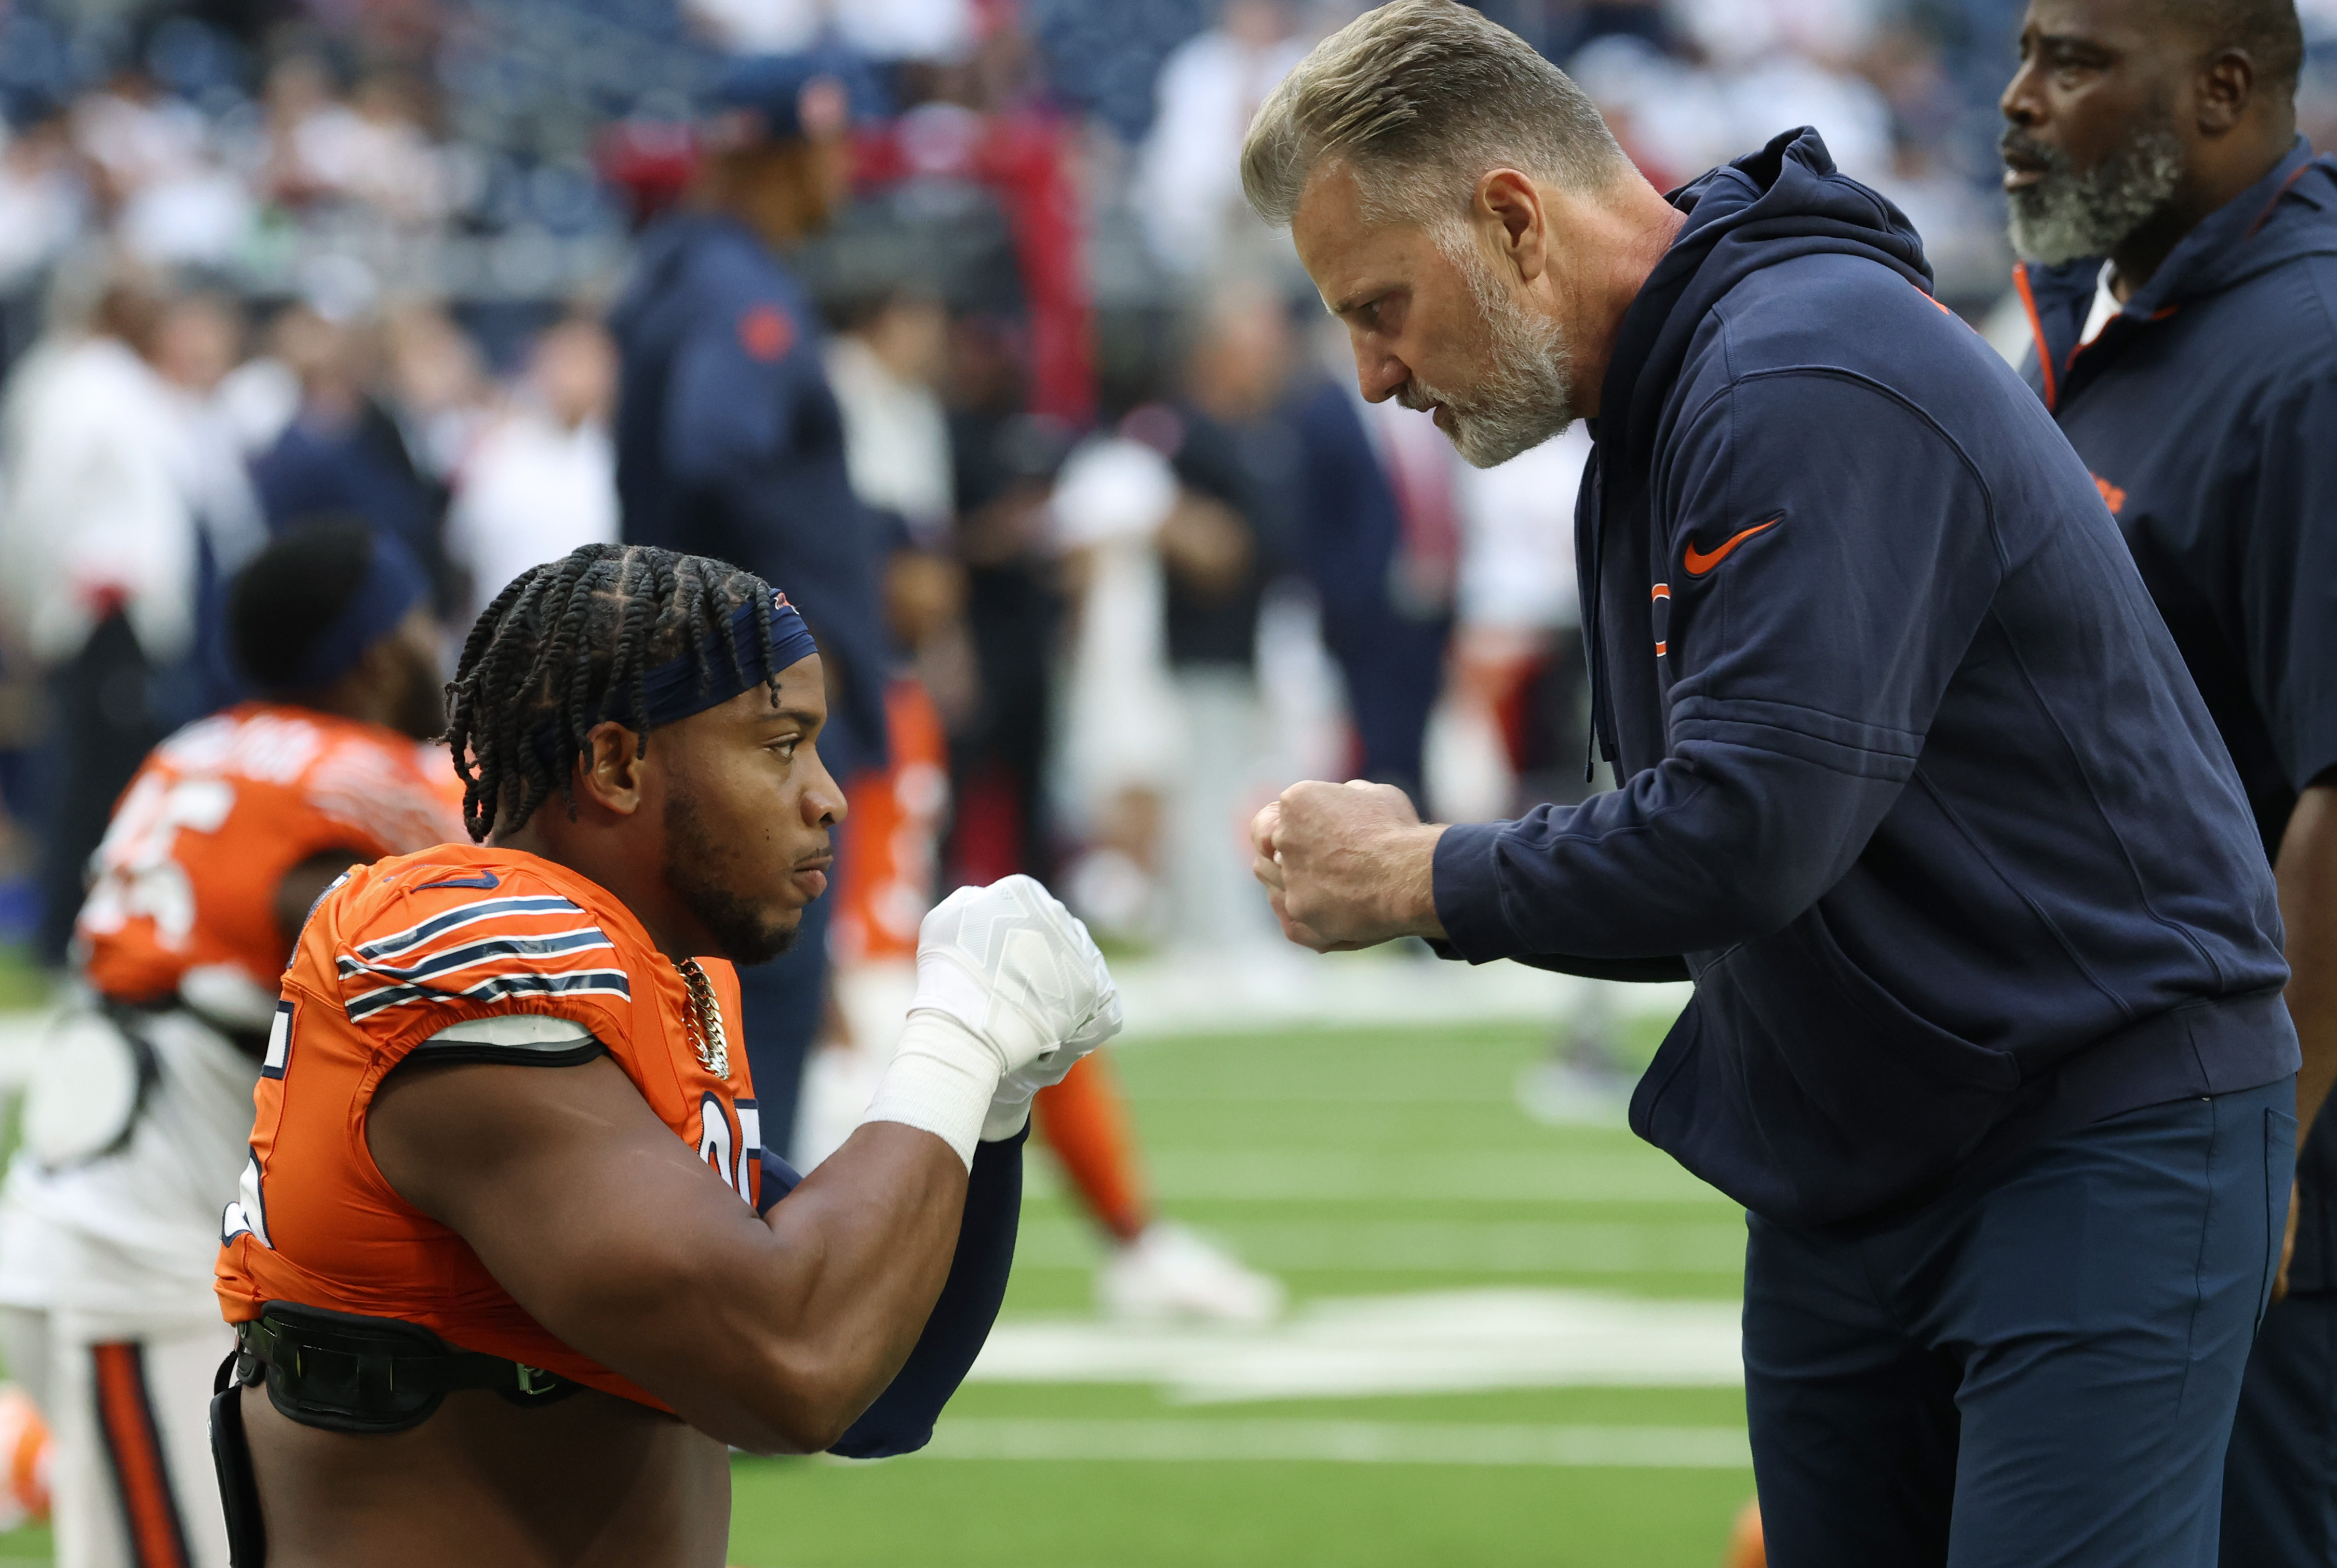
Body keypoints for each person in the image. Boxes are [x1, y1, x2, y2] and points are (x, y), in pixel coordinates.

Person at [1239, 5, 2298, 1563]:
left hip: (2084, 1124)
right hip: (1868, 1144)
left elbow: (1746, 831)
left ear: (1512, 221)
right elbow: (1730, 856)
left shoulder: (1790, 372)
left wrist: (1416, 873)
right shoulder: (1687, 390)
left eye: (1380, 303)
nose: (1375, 371)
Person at [210, 542, 1119, 1568]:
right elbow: (798, 1363)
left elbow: (881, 1385)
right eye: (781, 745)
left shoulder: (657, 984)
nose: (828, 798)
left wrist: (992, 1102)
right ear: (616, 764)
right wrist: (960, 1032)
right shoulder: (479, 948)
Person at [1995, 4, 2337, 1561]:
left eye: (2070, 64)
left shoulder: (2310, 356)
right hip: (2101, 1120)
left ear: (2217, 92)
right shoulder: (2088, 309)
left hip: (2253, 1148)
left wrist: (2265, 1135)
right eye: (2019, 52)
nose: (2016, 100)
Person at [0, 521, 462, 1568]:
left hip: (132, 1228)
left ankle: (31, 1452)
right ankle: (34, 1455)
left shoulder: (193, 749)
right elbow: (349, 928)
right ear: (378, 652)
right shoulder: (365, 780)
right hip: (133, 1267)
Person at [609, 56, 891, 1156]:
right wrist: (771, 654)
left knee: (697, 1022)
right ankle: (740, 1291)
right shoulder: (741, 290)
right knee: (753, 1027)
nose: (845, 170)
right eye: (830, 146)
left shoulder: (673, 270)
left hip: (691, 711)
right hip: (752, 726)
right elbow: (716, 443)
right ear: (781, 154)